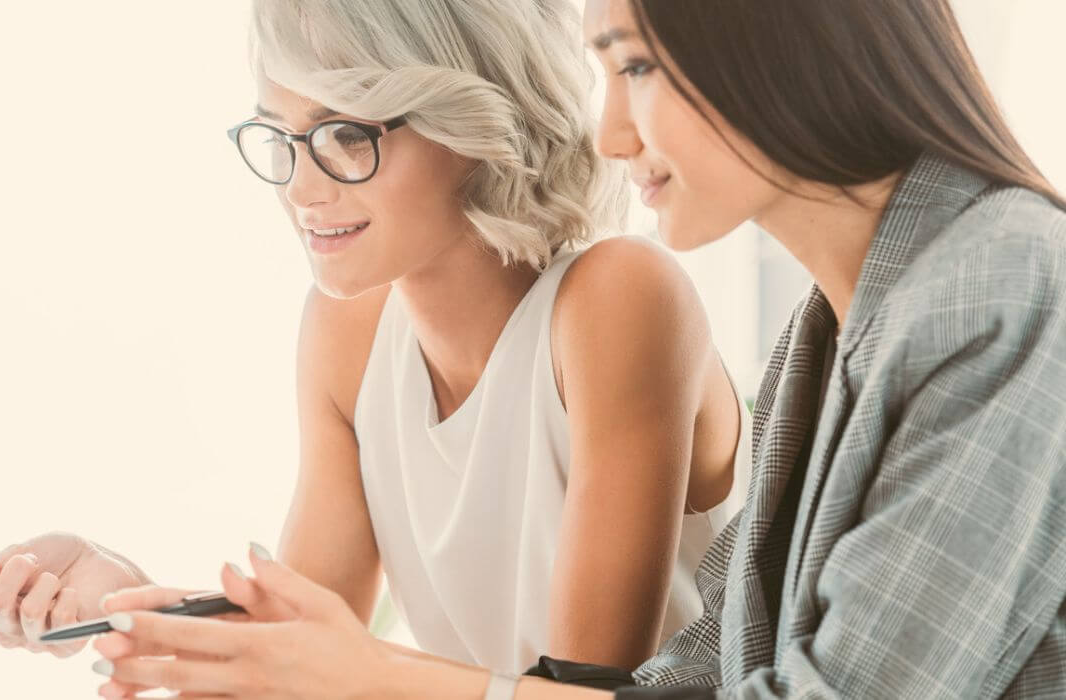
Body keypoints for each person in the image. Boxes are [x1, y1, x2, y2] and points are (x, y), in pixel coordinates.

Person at [89, 0, 1066, 697]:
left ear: (779, 34)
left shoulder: (999, 285)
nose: (602, 132)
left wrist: (372, 677)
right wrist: (131, 610)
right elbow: (685, 685)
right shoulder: (829, 336)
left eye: (632, 65)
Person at [0, 0, 751, 677]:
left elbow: (586, 690)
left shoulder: (619, 298)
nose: (303, 188)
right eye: (284, 137)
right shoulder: (348, 328)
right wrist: (121, 599)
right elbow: (293, 654)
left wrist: (331, 670)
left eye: (346, 133)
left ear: (473, 120)